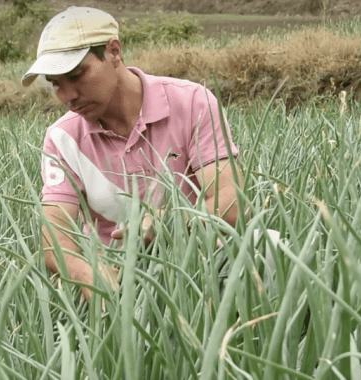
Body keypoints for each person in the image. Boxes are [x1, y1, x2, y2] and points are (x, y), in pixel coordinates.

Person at [21, 7, 243, 302]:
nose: (68, 97)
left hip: (198, 265)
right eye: (56, 85)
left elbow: (232, 201)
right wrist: (88, 275)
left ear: (113, 51)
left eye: (76, 76)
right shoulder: (62, 138)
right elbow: (53, 236)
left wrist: (172, 221)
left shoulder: (191, 102)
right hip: (116, 276)